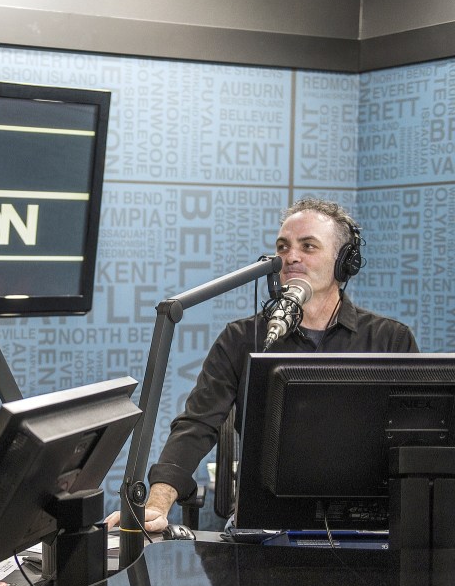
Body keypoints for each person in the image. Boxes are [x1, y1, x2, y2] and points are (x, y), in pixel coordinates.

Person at [105, 198, 418, 534]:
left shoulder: (390, 340)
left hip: (370, 525)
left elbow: (419, 442)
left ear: (344, 263)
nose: (290, 257)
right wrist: (157, 502)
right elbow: (197, 424)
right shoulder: (242, 338)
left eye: (308, 246)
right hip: (267, 525)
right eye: (283, 247)